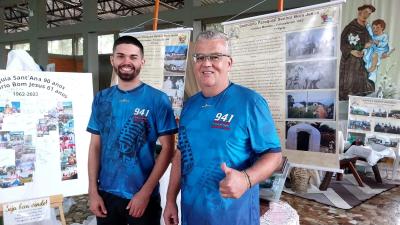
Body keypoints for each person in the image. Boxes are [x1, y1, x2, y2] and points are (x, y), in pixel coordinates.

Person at [163, 30, 282, 225]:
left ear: (229, 63)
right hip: (192, 214)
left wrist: (246, 179)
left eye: (215, 56)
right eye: (200, 57)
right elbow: (180, 155)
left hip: (234, 216)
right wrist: (170, 200)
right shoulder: (189, 106)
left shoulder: (250, 102)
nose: (206, 63)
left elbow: (274, 156)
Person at [87, 35, 177, 225]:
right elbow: (95, 146)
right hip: (106, 195)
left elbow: (169, 149)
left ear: (142, 62)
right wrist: (93, 191)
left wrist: (145, 193)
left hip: (142, 195)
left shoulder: (157, 99)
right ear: (112, 60)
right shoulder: (101, 98)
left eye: (133, 57)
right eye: (120, 56)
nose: (126, 62)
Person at [339, 4, 375, 101]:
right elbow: (342, 43)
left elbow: (368, 42)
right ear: (359, 12)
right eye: (366, 12)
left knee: (361, 86)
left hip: (361, 61)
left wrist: (365, 48)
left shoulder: (366, 29)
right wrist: (351, 51)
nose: (367, 15)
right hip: (349, 62)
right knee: (349, 85)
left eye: (369, 13)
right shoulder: (350, 28)